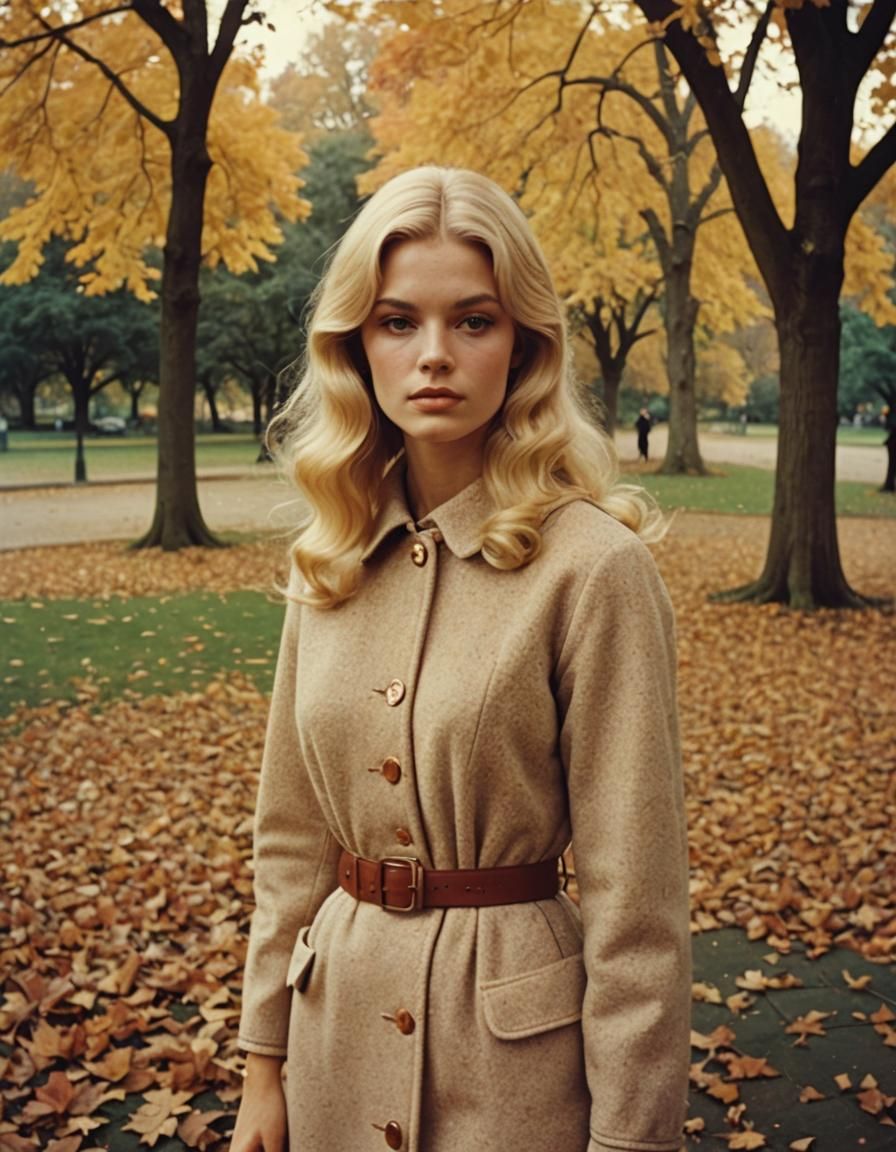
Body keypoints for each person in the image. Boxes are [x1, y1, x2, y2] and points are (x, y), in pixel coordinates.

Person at [231, 167, 690, 1152]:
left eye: (471, 321)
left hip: (514, 1065)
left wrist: (631, 1139)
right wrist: (261, 1062)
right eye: (397, 321)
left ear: (522, 341)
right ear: (355, 342)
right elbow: (290, 840)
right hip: (331, 1039)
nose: (432, 355)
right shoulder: (329, 557)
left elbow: (636, 905)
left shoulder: (591, 571)